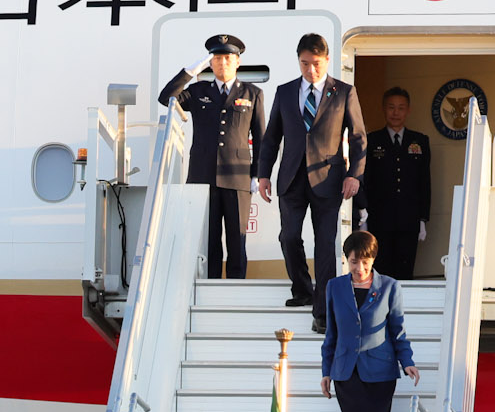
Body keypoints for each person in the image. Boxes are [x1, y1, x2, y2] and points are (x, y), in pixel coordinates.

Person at [256, 32, 367, 329]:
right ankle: (303, 289)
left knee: (325, 243)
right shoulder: (285, 92)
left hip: (329, 179)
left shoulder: (344, 92)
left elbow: (358, 138)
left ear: (327, 60)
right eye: (305, 63)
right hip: (291, 178)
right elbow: (271, 138)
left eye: (316, 63)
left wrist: (354, 175)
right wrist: (263, 174)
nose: (311, 70)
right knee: (289, 237)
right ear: (299, 61)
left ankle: (323, 312)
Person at [318, 230, 418, 412]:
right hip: (345, 368)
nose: (359, 268)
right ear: (346, 260)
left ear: (373, 259)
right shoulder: (334, 287)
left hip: (380, 370)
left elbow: (398, 330)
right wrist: (326, 370)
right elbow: (331, 334)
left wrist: (407, 361)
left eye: (364, 262)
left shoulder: (390, 287)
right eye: (353, 262)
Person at [157, 34, 268, 279]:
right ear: (210, 63)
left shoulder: (253, 93)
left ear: (237, 62)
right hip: (203, 175)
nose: (222, 63)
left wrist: (257, 175)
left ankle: (236, 288)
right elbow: (166, 98)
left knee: (237, 240)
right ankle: (210, 286)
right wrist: (189, 72)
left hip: (238, 178)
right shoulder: (198, 91)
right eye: (217, 58)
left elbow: (261, 138)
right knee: (209, 241)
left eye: (227, 58)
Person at [359, 88, 432, 281]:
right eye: (391, 107)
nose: (396, 112)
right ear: (384, 109)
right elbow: (366, 179)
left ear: (408, 110)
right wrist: (363, 213)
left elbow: (424, 182)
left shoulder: (420, 141)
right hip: (379, 217)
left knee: (405, 270)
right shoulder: (372, 140)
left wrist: (423, 218)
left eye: (401, 108)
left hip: (409, 218)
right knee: (380, 271)